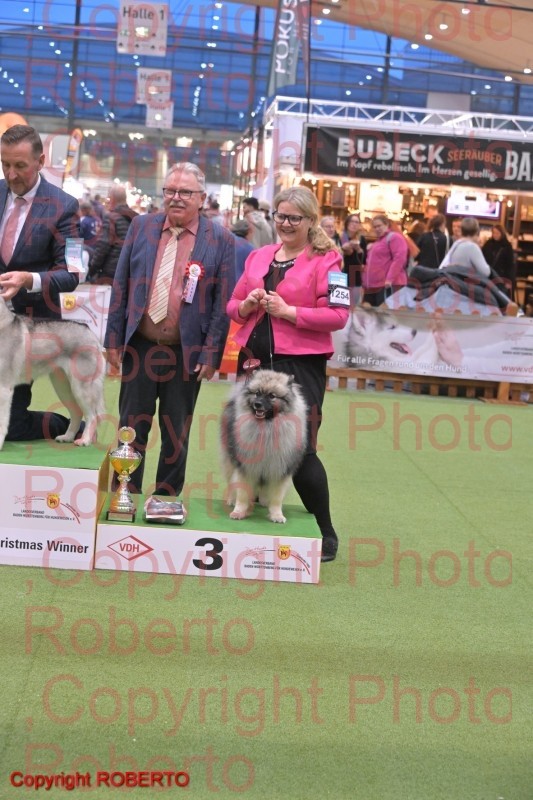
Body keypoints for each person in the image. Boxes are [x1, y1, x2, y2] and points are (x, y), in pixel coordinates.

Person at [226, 185, 349, 563]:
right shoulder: (259, 255)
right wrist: (247, 305)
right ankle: (252, 508)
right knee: (248, 444)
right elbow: (232, 305)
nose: (286, 223)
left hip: (299, 367)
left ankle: (326, 531)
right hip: (253, 362)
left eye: (295, 217)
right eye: (281, 216)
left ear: (311, 220)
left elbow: (339, 316)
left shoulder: (329, 260)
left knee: (301, 448)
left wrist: (289, 312)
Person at [104, 161, 235, 498]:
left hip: (186, 352)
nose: (176, 197)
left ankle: (165, 500)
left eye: (185, 192)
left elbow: (222, 303)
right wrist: (113, 338)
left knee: (176, 433)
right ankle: (125, 494)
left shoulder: (221, 239)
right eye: (170, 190)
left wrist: (211, 353)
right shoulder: (141, 226)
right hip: (140, 345)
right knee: (131, 427)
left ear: (202, 198)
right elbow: (121, 284)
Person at [0, 123, 82, 442]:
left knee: (13, 426)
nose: (11, 174)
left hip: (31, 332)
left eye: (20, 165)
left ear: (40, 161)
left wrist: (29, 279)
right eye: (5, 164)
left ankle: (70, 425)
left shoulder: (65, 206)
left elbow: (72, 273)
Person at [88, 184, 138, 285]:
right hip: (130, 273)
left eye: (108, 198)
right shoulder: (136, 218)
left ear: (112, 199)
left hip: (110, 273)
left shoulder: (111, 218)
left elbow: (102, 247)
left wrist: (92, 270)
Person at [362, 214, 409, 306]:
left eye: (379, 226)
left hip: (386, 286)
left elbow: (399, 259)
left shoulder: (394, 237)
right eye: (375, 227)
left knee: (383, 313)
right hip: (373, 286)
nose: (377, 229)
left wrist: (389, 279)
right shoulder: (379, 241)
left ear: (386, 224)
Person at [482, 224, 515, 288]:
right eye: (493, 233)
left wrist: (508, 280)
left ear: (502, 233)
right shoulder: (488, 243)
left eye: (497, 233)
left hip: (500, 275)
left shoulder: (507, 246)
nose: (495, 235)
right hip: (488, 273)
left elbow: (509, 264)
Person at [341, 212, 367, 290]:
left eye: (356, 222)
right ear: (347, 223)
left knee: (353, 297)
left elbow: (364, 261)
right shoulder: (340, 237)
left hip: (354, 273)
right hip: (340, 272)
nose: (354, 224)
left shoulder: (361, 239)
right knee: (337, 297)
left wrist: (358, 249)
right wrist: (342, 249)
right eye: (352, 221)